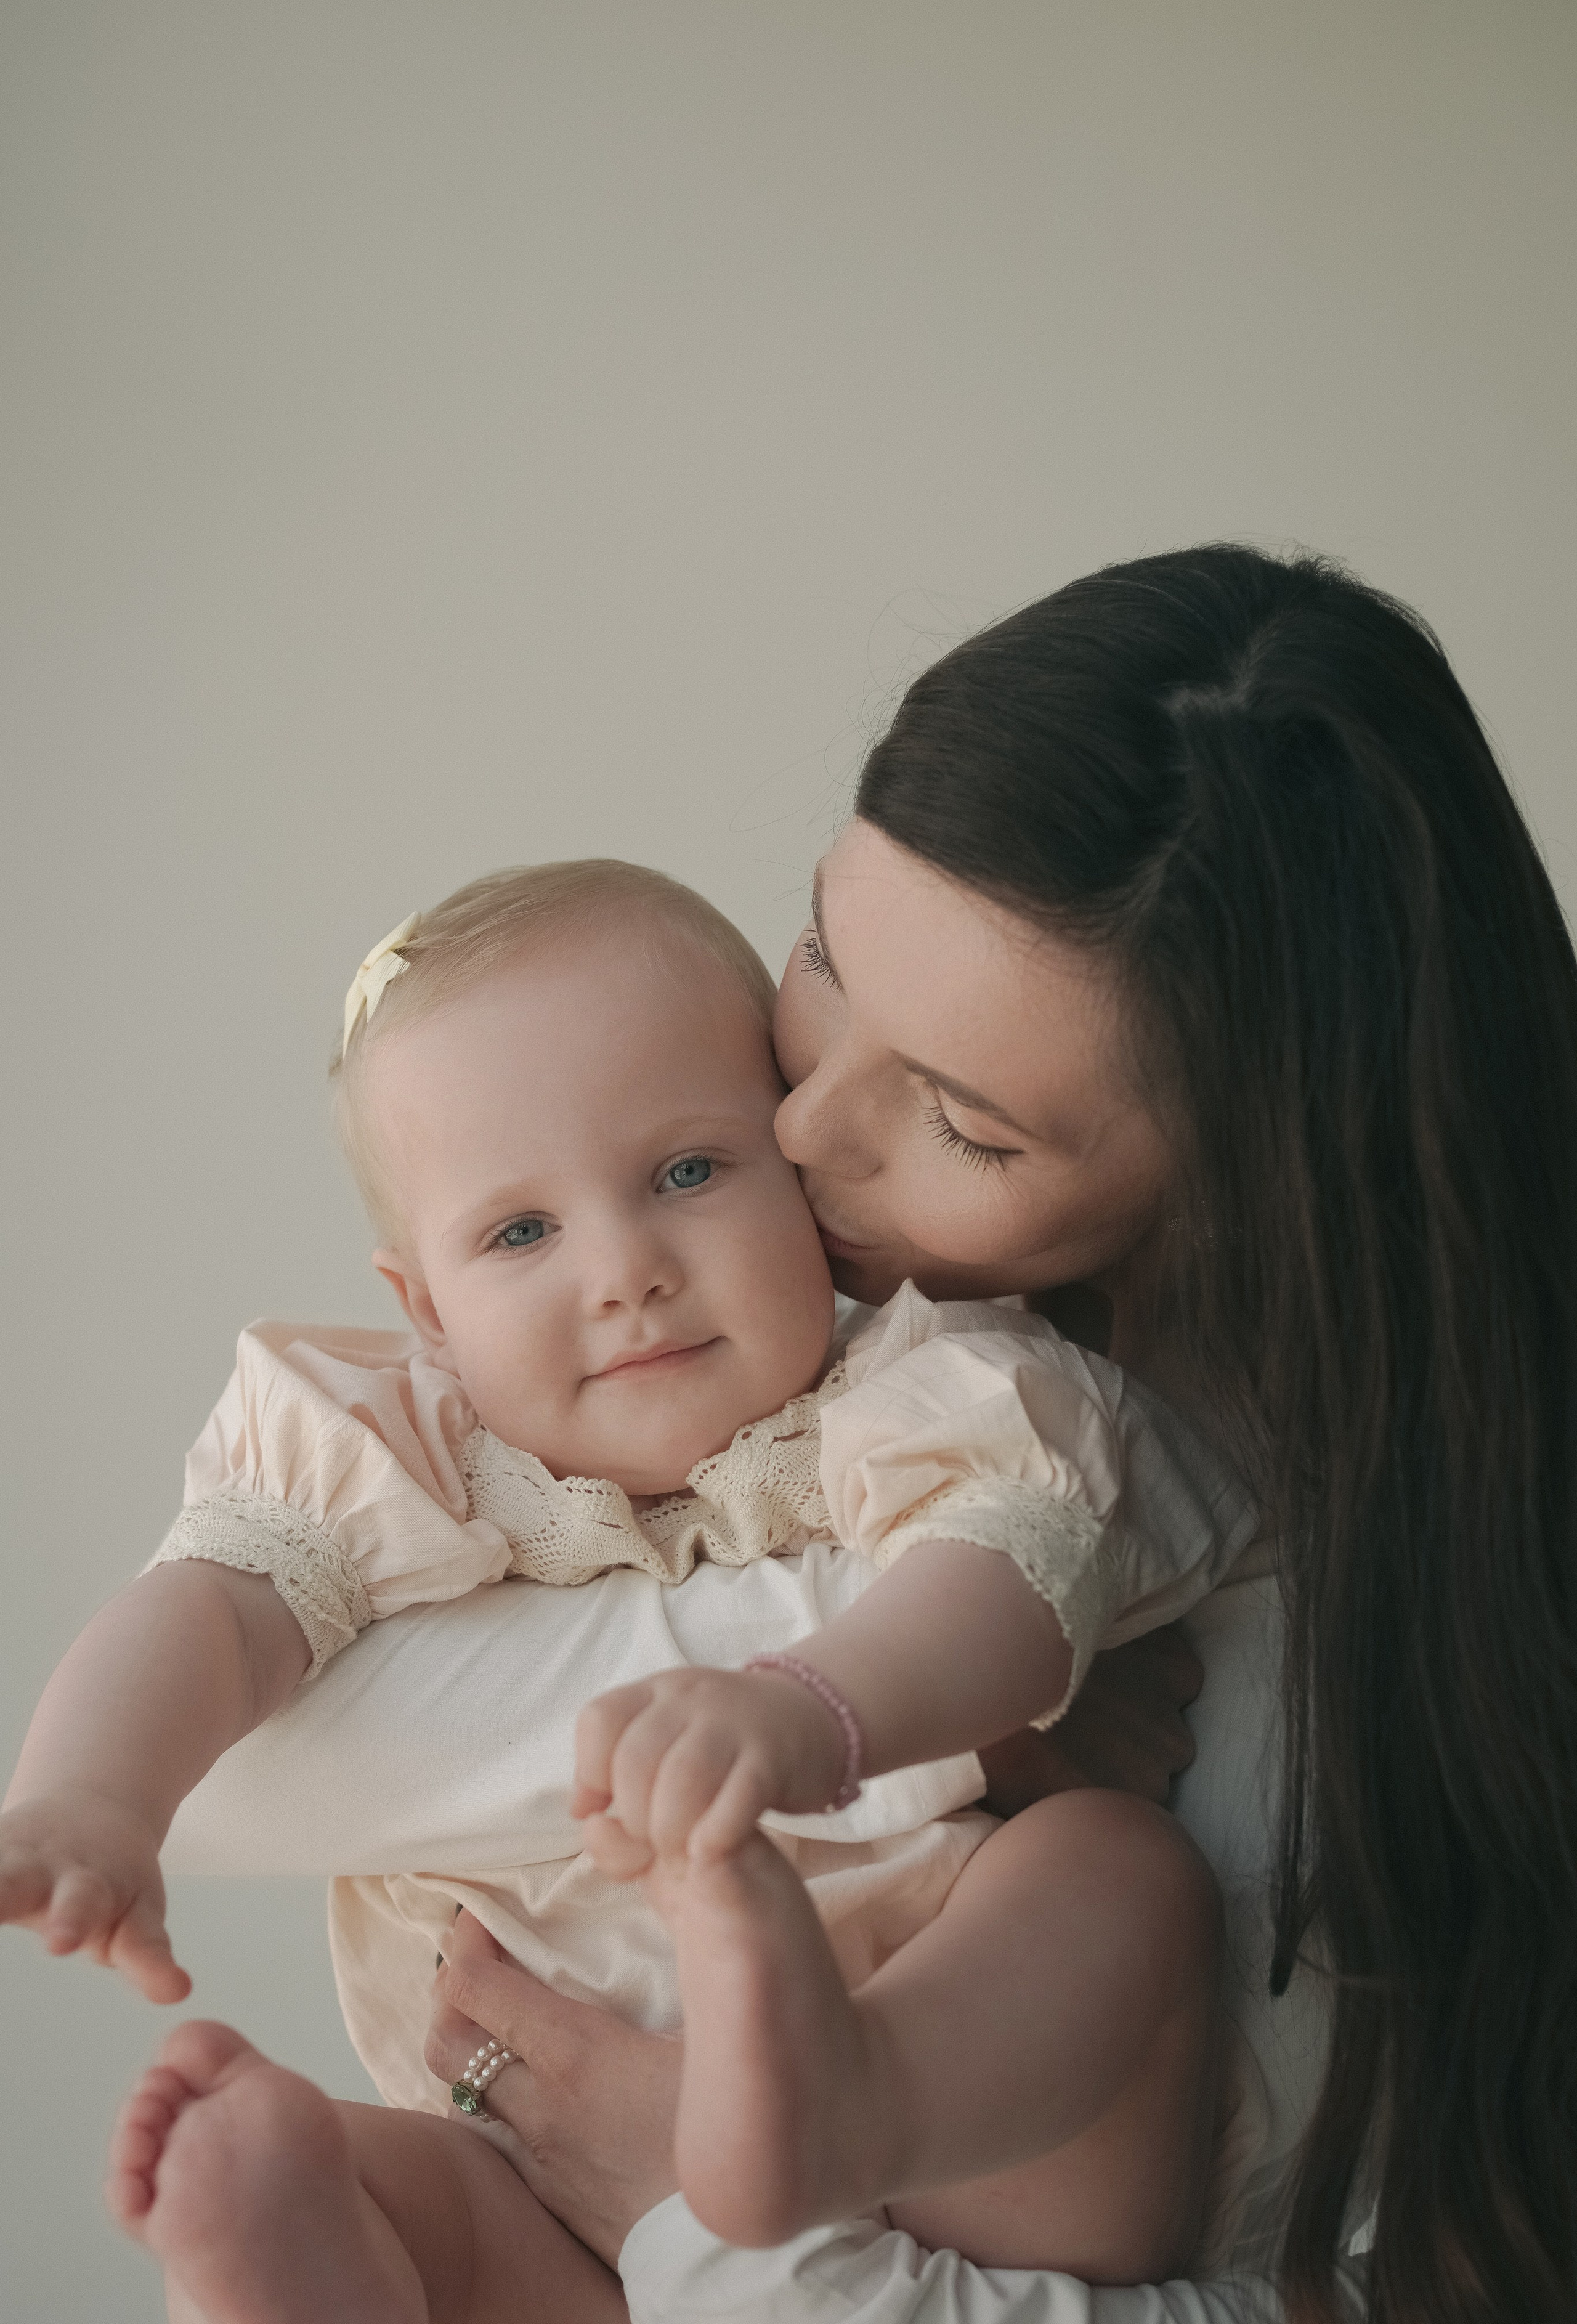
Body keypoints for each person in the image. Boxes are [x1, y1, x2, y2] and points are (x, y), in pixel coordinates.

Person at [357, 543, 1575, 2324]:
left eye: (965, 1127)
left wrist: (698, 2218)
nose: (803, 1131)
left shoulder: (1386, 1607)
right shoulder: (764, 1336)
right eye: (824, 958)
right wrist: (945, 1723)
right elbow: (250, 1767)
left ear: (1252, 1178)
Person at [1, 858, 1260, 2317]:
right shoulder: (398, 1455)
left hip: (952, 2122)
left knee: (1114, 1871)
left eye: (685, 1173)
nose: (623, 1272)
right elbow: (210, 1604)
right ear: (423, 1306)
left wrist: (813, 1710)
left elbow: (1012, 1568)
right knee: (423, 2209)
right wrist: (91, 1798)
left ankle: (845, 2091)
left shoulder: (911, 1386)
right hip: (531, 2153)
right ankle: (290, 2238)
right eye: (520, 1233)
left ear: (801, 1185)